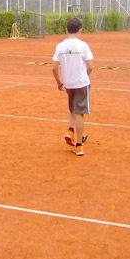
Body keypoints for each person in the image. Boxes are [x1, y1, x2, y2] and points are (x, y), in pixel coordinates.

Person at [52, 17, 94, 156]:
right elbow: (90, 66)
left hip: (68, 82)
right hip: (81, 82)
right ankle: (79, 145)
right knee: (80, 112)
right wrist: (85, 75)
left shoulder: (60, 46)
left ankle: (70, 130)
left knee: (72, 108)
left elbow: (54, 67)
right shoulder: (83, 45)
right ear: (80, 30)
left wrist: (59, 82)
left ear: (66, 30)